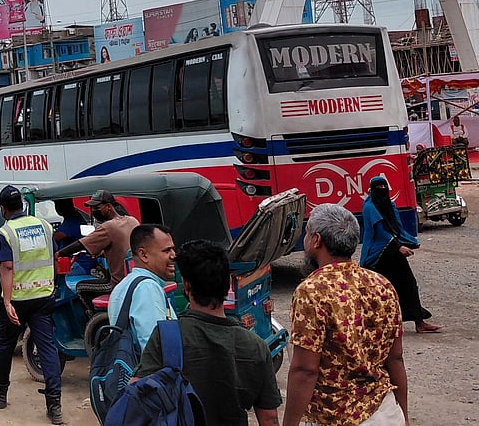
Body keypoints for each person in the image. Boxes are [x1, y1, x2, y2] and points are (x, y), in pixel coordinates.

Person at [283, 203, 408, 426]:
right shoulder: (382, 285)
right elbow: (395, 358)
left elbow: (305, 370)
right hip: (385, 411)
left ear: (316, 240)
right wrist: (404, 417)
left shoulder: (312, 291)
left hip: (336, 417)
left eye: (308, 232)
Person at [135, 240, 281, 426]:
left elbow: (137, 394)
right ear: (228, 285)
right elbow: (269, 418)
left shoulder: (166, 336)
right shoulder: (255, 345)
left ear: (186, 286)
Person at [0, 186, 63, 424]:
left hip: (17, 300)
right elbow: (54, 258)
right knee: (47, 349)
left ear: (3, 208)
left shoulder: (6, 232)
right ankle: (54, 405)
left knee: (5, 344)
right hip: (44, 297)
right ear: (23, 205)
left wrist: (6, 301)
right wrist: (53, 286)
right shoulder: (45, 226)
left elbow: (6, 267)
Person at [360, 176, 440, 333]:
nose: (382, 189)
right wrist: (399, 247)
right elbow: (381, 232)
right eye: (378, 187)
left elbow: (396, 228)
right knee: (379, 290)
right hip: (378, 255)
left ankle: (419, 322)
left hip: (392, 251)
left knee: (408, 284)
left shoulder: (389, 204)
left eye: (384, 185)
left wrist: (409, 242)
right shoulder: (369, 207)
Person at [106, 224, 177, 354]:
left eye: (173, 249)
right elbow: (153, 349)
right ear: (143, 255)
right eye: (167, 251)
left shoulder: (125, 284)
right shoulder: (147, 288)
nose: (174, 256)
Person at [59, 190, 140, 285]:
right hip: (135, 277)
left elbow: (80, 244)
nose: (94, 211)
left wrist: (59, 253)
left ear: (109, 206)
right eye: (92, 208)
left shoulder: (108, 226)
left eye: (97, 208)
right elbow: (122, 248)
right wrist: (102, 253)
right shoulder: (132, 221)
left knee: (81, 287)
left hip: (118, 283)